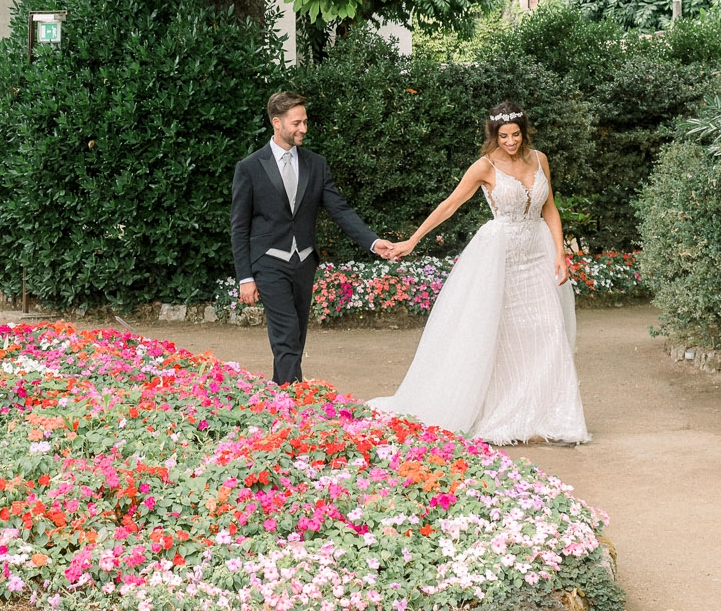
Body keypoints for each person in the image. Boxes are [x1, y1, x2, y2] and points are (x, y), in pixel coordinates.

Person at [369, 103, 589, 445]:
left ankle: (555, 416)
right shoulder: (484, 167)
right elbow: (450, 204)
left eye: (516, 135)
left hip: (538, 251)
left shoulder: (540, 159)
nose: (511, 142)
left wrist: (560, 252)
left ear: (524, 132)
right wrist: (412, 240)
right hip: (501, 255)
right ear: (494, 136)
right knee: (500, 334)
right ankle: (504, 411)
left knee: (549, 329)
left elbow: (550, 208)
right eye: (504, 136)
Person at [232, 91, 394, 384]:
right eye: (297, 123)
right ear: (276, 122)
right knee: (286, 334)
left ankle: (279, 396)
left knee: (296, 337)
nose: (303, 129)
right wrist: (245, 277)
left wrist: (372, 241)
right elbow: (239, 226)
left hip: (304, 262)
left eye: (305, 122)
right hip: (268, 262)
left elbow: (340, 210)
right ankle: (292, 401)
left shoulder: (316, 164)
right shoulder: (250, 167)